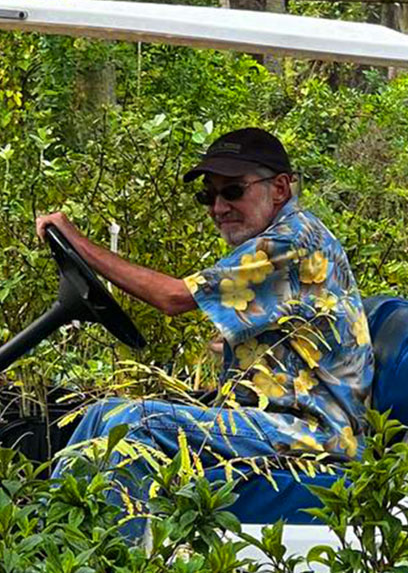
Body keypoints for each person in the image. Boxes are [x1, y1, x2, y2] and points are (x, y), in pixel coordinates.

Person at [35, 128, 372, 500]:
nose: (218, 208)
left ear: (279, 188)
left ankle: (103, 553)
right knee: (102, 412)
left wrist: (79, 245)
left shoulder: (290, 241)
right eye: (207, 195)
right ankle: (58, 532)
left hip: (313, 434)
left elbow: (173, 298)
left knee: (134, 422)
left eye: (233, 191)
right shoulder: (287, 237)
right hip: (278, 416)